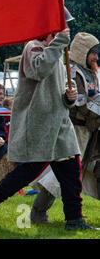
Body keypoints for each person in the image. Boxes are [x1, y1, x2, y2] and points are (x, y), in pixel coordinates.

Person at [0, 29, 96, 230]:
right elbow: (38, 71)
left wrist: (68, 97)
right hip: (41, 124)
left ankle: (74, 220)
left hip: (59, 124)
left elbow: (61, 89)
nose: (64, 31)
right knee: (27, 172)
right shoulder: (33, 47)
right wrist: (59, 43)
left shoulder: (57, 51)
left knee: (71, 171)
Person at [29, 32, 100, 224]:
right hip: (75, 130)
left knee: (94, 168)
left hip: (91, 132)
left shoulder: (91, 71)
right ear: (83, 51)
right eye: (92, 53)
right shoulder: (72, 72)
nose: (96, 57)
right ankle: (38, 212)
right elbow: (80, 104)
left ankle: (71, 214)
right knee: (59, 176)